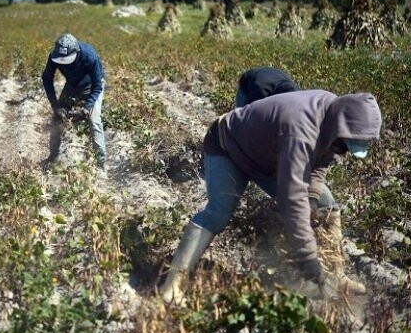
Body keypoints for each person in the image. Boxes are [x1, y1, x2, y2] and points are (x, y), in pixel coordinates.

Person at [160, 90, 382, 304]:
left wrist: (313, 198)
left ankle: (337, 277)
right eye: (344, 144)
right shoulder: (300, 129)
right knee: (218, 212)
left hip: (267, 157)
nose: (343, 150)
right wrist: (306, 256)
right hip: (228, 147)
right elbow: (292, 199)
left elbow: (321, 161)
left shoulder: (334, 116)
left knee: (327, 204)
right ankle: (173, 284)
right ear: (340, 125)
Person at [42, 33, 107, 176]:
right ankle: (53, 157)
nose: (65, 62)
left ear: (76, 53)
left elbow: (97, 86)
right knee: (57, 119)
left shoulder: (89, 56)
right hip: (72, 85)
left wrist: (86, 108)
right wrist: (56, 106)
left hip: (92, 85)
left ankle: (101, 164)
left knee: (94, 120)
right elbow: (47, 78)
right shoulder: (55, 56)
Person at [234, 66, 301, 107]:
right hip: (246, 87)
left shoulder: (296, 92)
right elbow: (249, 113)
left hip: (269, 75)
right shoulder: (260, 90)